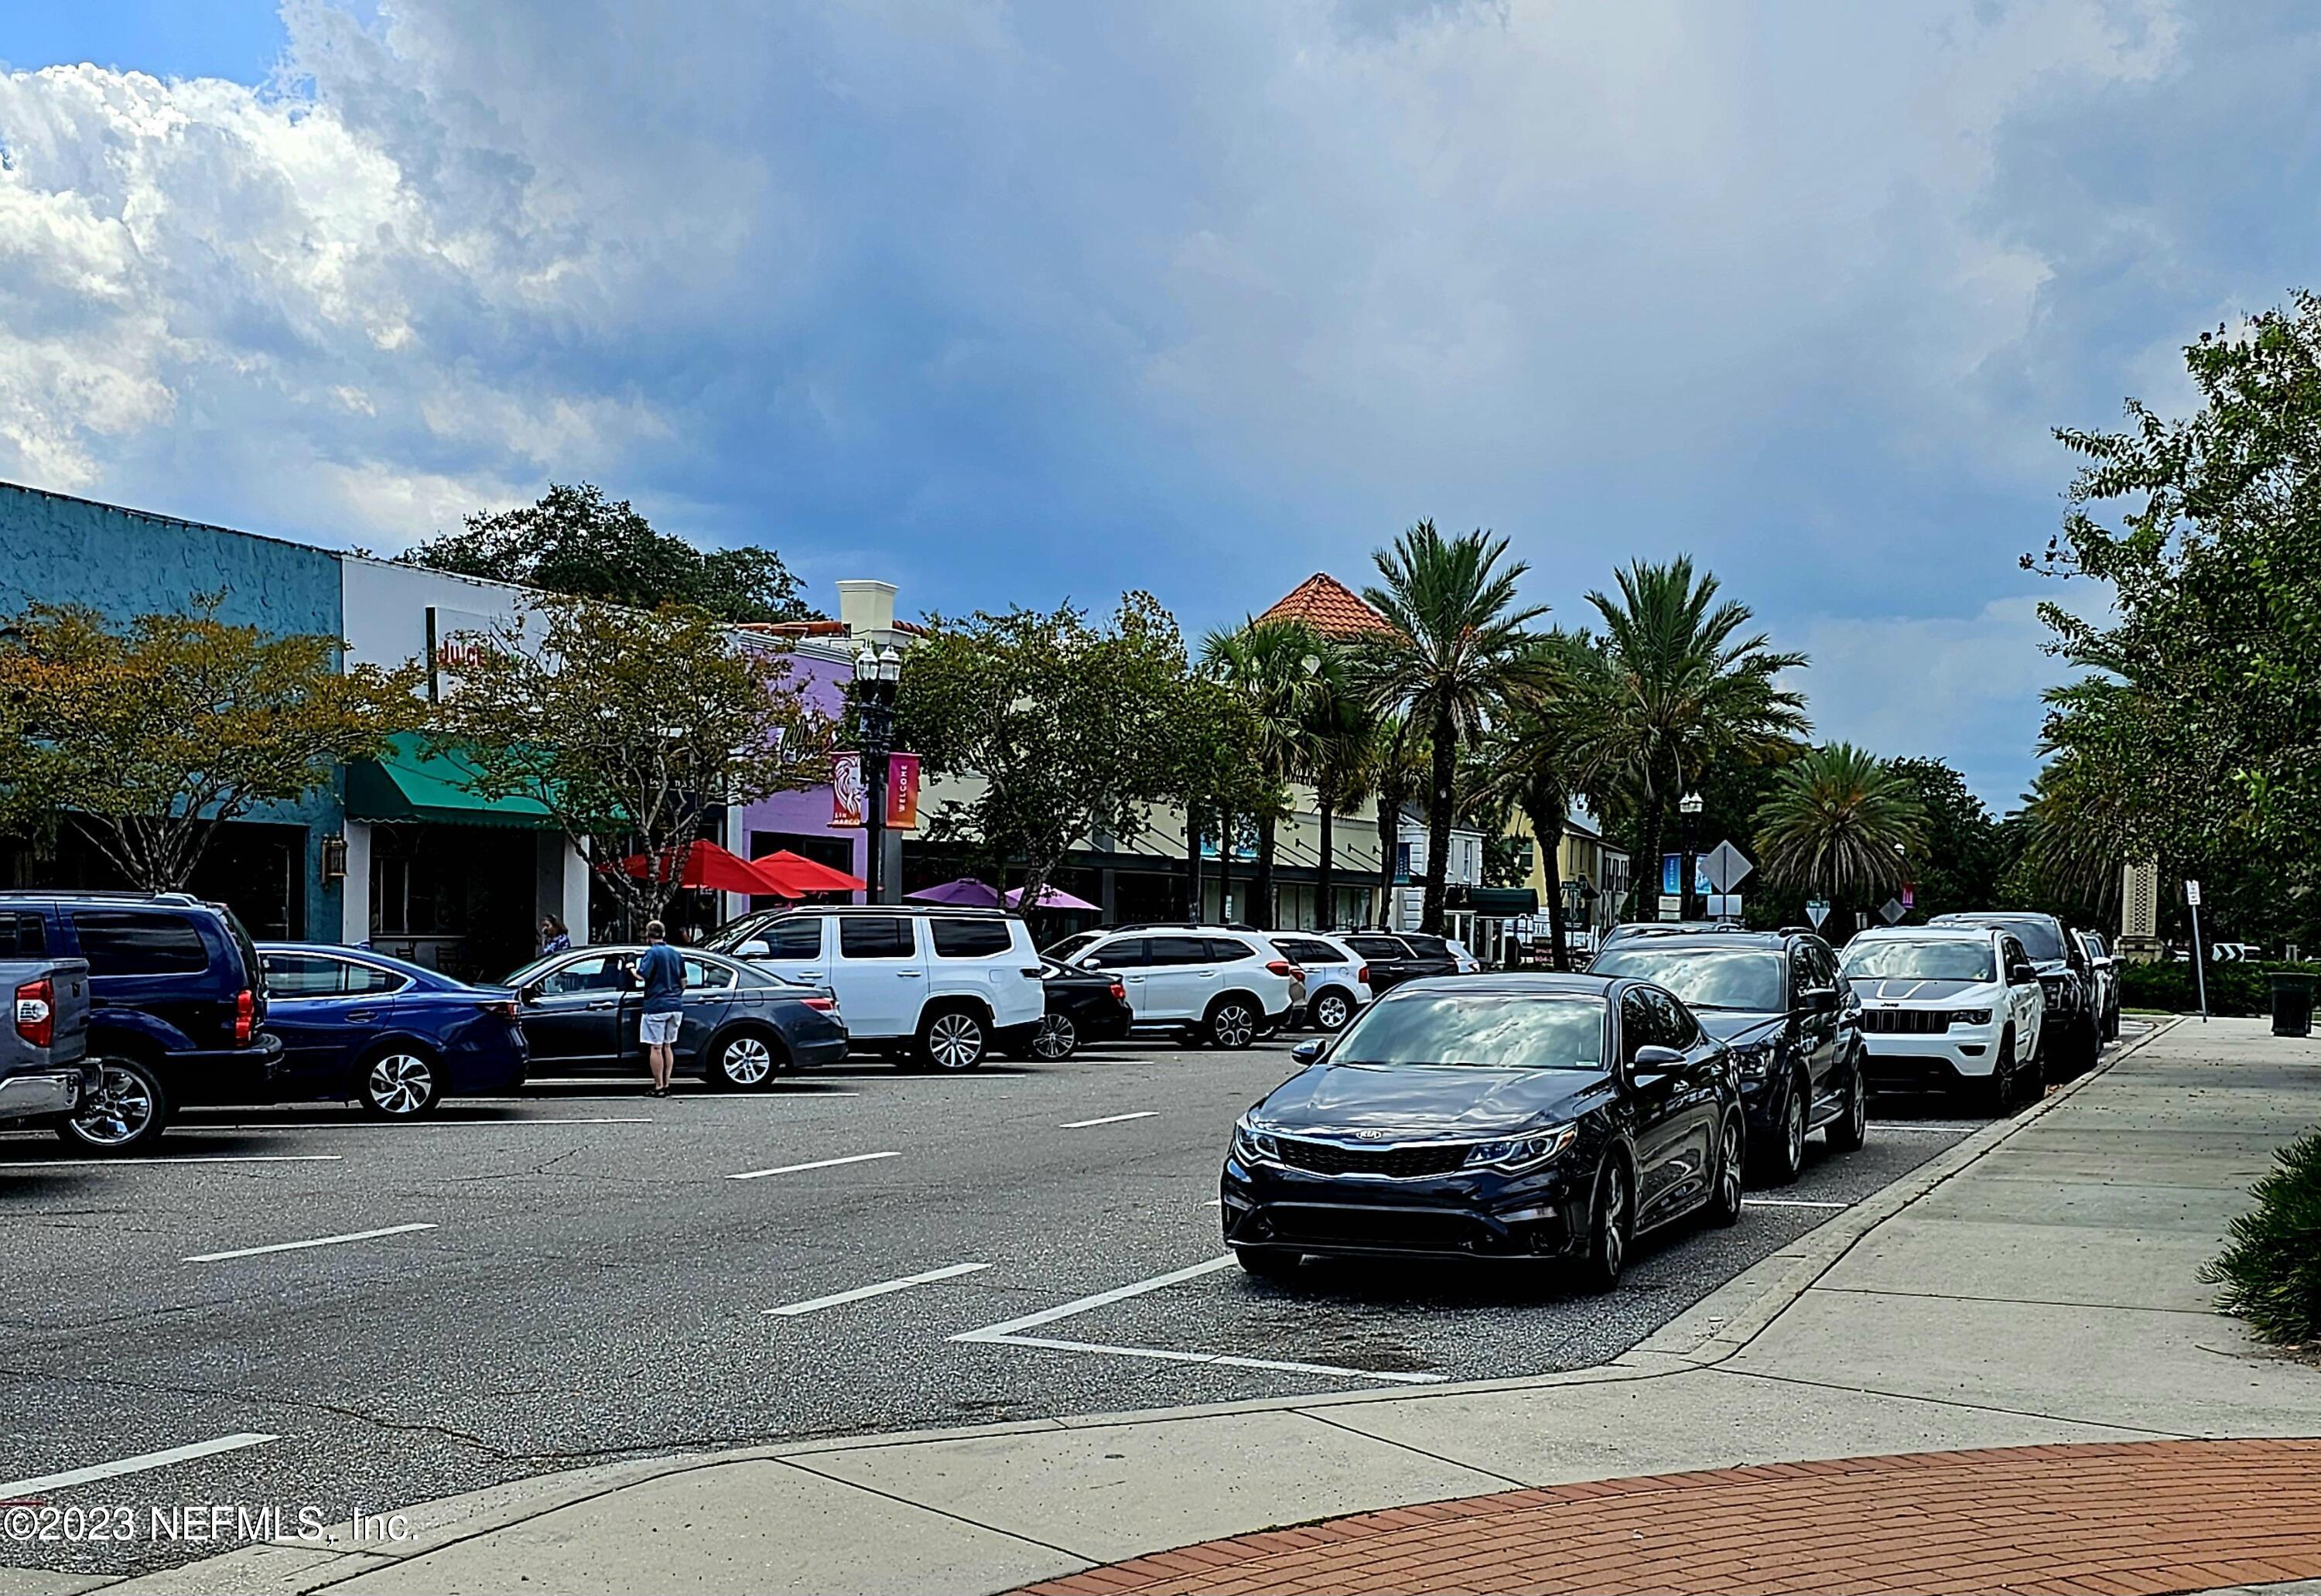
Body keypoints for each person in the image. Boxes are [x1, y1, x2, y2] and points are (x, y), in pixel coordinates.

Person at [634, 920, 684, 1097]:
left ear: (648, 935)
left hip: (656, 1006)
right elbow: (683, 981)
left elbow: (641, 976)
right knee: (667, 1046)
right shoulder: (676, 953)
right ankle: (668, 1083)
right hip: (675, 1006)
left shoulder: (652, 954)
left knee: (655, 1047)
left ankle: (659, 1086)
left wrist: (630, 968)